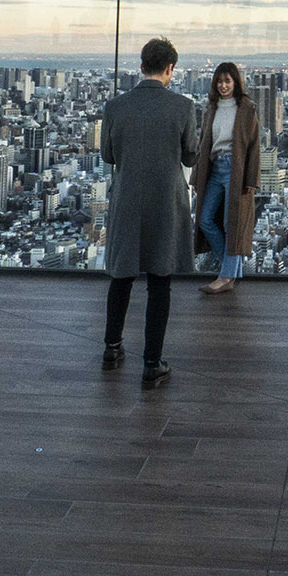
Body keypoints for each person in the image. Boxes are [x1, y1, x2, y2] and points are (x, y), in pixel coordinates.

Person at [100, 37, 198, 387]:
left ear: (141, 65)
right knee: (160, 279)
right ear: (170, 68)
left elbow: (108, 156)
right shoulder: (183, 107)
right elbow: (190, 156)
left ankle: (112, 348)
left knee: (122, 275)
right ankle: (152, 363)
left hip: (127, 197)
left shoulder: (115, 107)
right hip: (165, 200)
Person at [193, 61, 260, 295]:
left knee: (231, 223)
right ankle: (231, 268)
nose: (223, 86)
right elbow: (203, 142)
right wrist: (196, 175)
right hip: (214, 167)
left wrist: (251, 180)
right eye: (219, 81)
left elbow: (253, 147)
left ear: (235, 82)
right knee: (205, 219)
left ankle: (225, 276)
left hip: (235, 168)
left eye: (227, 81)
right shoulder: (211, 108)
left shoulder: (246, 108)